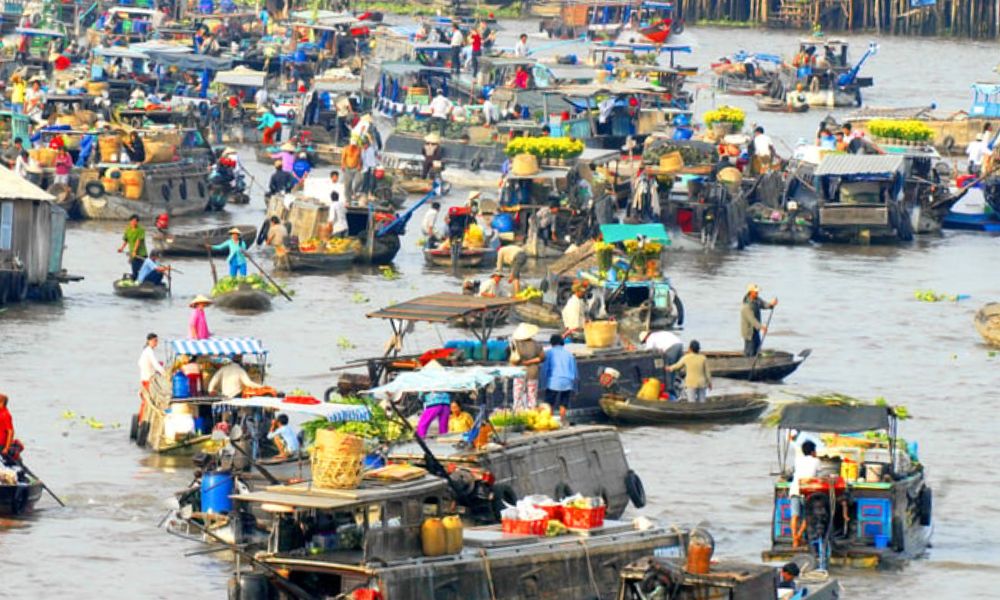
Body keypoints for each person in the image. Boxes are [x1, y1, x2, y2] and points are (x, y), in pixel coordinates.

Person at [790, 439, 820, 548]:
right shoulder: (816, 461)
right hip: (807, 491)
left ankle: (795, 540)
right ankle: (798, 536)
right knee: (808, 516)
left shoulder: (798, 460)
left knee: (795, 516)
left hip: (794, 489)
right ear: (813, 451)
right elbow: (818, 475)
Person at [509, 323, 544, 409]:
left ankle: (518, 413)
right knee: (532, 395)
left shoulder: (515, 344)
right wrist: (530, 362)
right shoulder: (536, 344)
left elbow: (511, 358)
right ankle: (531, 412)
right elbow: (542, 358)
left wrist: (524, 363)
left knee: (518, 395)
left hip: (519, 372)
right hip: (532, 372)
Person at [543, 334, 577, 420]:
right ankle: (562, 419)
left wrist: (543, 383)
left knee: (549, 402)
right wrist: (575, 386)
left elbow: (545, 369)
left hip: (553, 381)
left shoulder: (549, 353)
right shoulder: (569, 354)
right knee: (564, 402)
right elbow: (574, 371)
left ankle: (548, 419)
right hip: (567, 381)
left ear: (551, 343)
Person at [641, 329, 684, 395]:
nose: (645, 342)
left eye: (644, 341)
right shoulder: (657, 334)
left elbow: (647, 351)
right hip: (680, 345)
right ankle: (675, 386)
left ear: (645, 338)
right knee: (674, 368)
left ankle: (669, 390)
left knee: (668, 368)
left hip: (671, 347)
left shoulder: (650, 338)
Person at [740, 283, 777, 356]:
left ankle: (754, 361)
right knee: (750, 351)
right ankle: (749, 362)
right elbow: (752, 320)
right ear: (751, 292)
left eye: (757, 292)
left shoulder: (757, 300)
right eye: (756, 292)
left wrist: (771, 305)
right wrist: (762, 327)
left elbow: (764, 304)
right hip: (749, 333)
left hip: (755, 331)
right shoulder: (746, 306)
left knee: (757, 349)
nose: (757, 293)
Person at [118, 214, 148, 280]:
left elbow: (138, 241)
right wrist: (121, 248)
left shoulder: (140, 230)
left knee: (143, 270)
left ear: (137, 222)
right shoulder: (128, 229)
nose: (134, 223)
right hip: (133, 255)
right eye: (132, 221)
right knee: (135, 270)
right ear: (130, 221)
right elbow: (126, 240)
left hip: (141, 254)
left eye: (135, 221)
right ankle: (135, 280)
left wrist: (135, 251)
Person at [340, 138, 362, 204]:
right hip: (347, 168)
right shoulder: (346, 148)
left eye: (354, 145)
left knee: (359, 181)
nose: (353, 147)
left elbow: (360, 158)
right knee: (347, 184)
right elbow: (343, 158)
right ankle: (348, 199)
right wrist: (342, 165)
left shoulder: (359, 149)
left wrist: (359, 165)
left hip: (356, 168)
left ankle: (354, 192)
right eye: (352, 145)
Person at [0, 393, 16, 459]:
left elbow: (10, 432)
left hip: (2, 444)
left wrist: (6, 448)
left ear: (2, 403)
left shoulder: (5, 415)